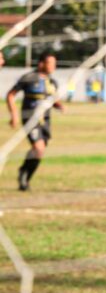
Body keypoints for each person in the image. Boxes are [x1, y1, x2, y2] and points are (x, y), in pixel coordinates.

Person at [6, 52, 64, 191]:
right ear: (41, 63)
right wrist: (14, 115)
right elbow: (11, 95)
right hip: (30, 120)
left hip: (45, 121)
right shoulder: (29, 78)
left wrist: (59, 105)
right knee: (38, 148)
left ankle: (24, 174)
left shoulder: (52, 82)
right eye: (51, 63)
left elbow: (52, 99)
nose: (53, 67)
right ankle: (24, 177)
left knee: (39, 151)